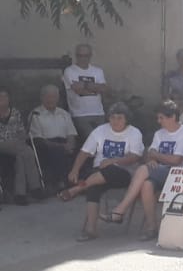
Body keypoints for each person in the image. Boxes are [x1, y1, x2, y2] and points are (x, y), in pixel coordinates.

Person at [106, 101, 183, 239]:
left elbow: (176, 160)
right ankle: (151, 227)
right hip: (161, 171)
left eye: (161, 118)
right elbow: (150, 154)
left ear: (172, 117)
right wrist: (152, 159)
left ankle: (120, 209)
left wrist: (156, 155)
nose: (158, 121)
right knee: (146, 185)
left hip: (181, 174)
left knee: (143, 169)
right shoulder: (159, 133)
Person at [59, 102, 144, 240]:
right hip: (99, 171)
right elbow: (84, 152)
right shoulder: (100, 130)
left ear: (126, 119)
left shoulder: (134, 132)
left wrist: (112, 161)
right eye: (112, 118)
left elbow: (135, 156)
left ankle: (76, 190)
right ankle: (91, 230)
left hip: (123, 172)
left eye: (119, 118)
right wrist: (74, 170)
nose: (115, 121)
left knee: (109, 170)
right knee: (94, 188)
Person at [0, 87, 42, 205]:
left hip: (17, 145)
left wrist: (24, 135)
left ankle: (20, 194)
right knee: (27, 151)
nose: (3, 99)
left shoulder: (15, 112)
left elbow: (21, 131)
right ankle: (35, 187)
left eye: (6, 96)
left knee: (20, 156)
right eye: (0, 96)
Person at [28, 84, 77, 193]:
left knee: (82, 151)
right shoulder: (35, 114)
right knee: (57, 150)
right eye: (48, 96)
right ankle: (61, 182)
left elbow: (71, 134)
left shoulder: (64, 114)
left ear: (58, 98)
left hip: (64, 143)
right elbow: (37, 139)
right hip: (45, 145)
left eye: (54, 96)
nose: (51, 99)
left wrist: (70, 145)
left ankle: (76, 181)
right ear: (42, 97)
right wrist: (62, 146)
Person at [62, 44, 109, 138]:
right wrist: (95, 88)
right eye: (80, 55)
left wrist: (84, 85)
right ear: (76, 56)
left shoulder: (98, 71)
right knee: (92, 141)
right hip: (79, 115)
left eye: (86, 56)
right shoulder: (69, 71)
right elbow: (78, 90)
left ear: (90, 56)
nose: (83, 58)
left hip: (99, 113)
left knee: (103, 141)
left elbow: (104, 89)